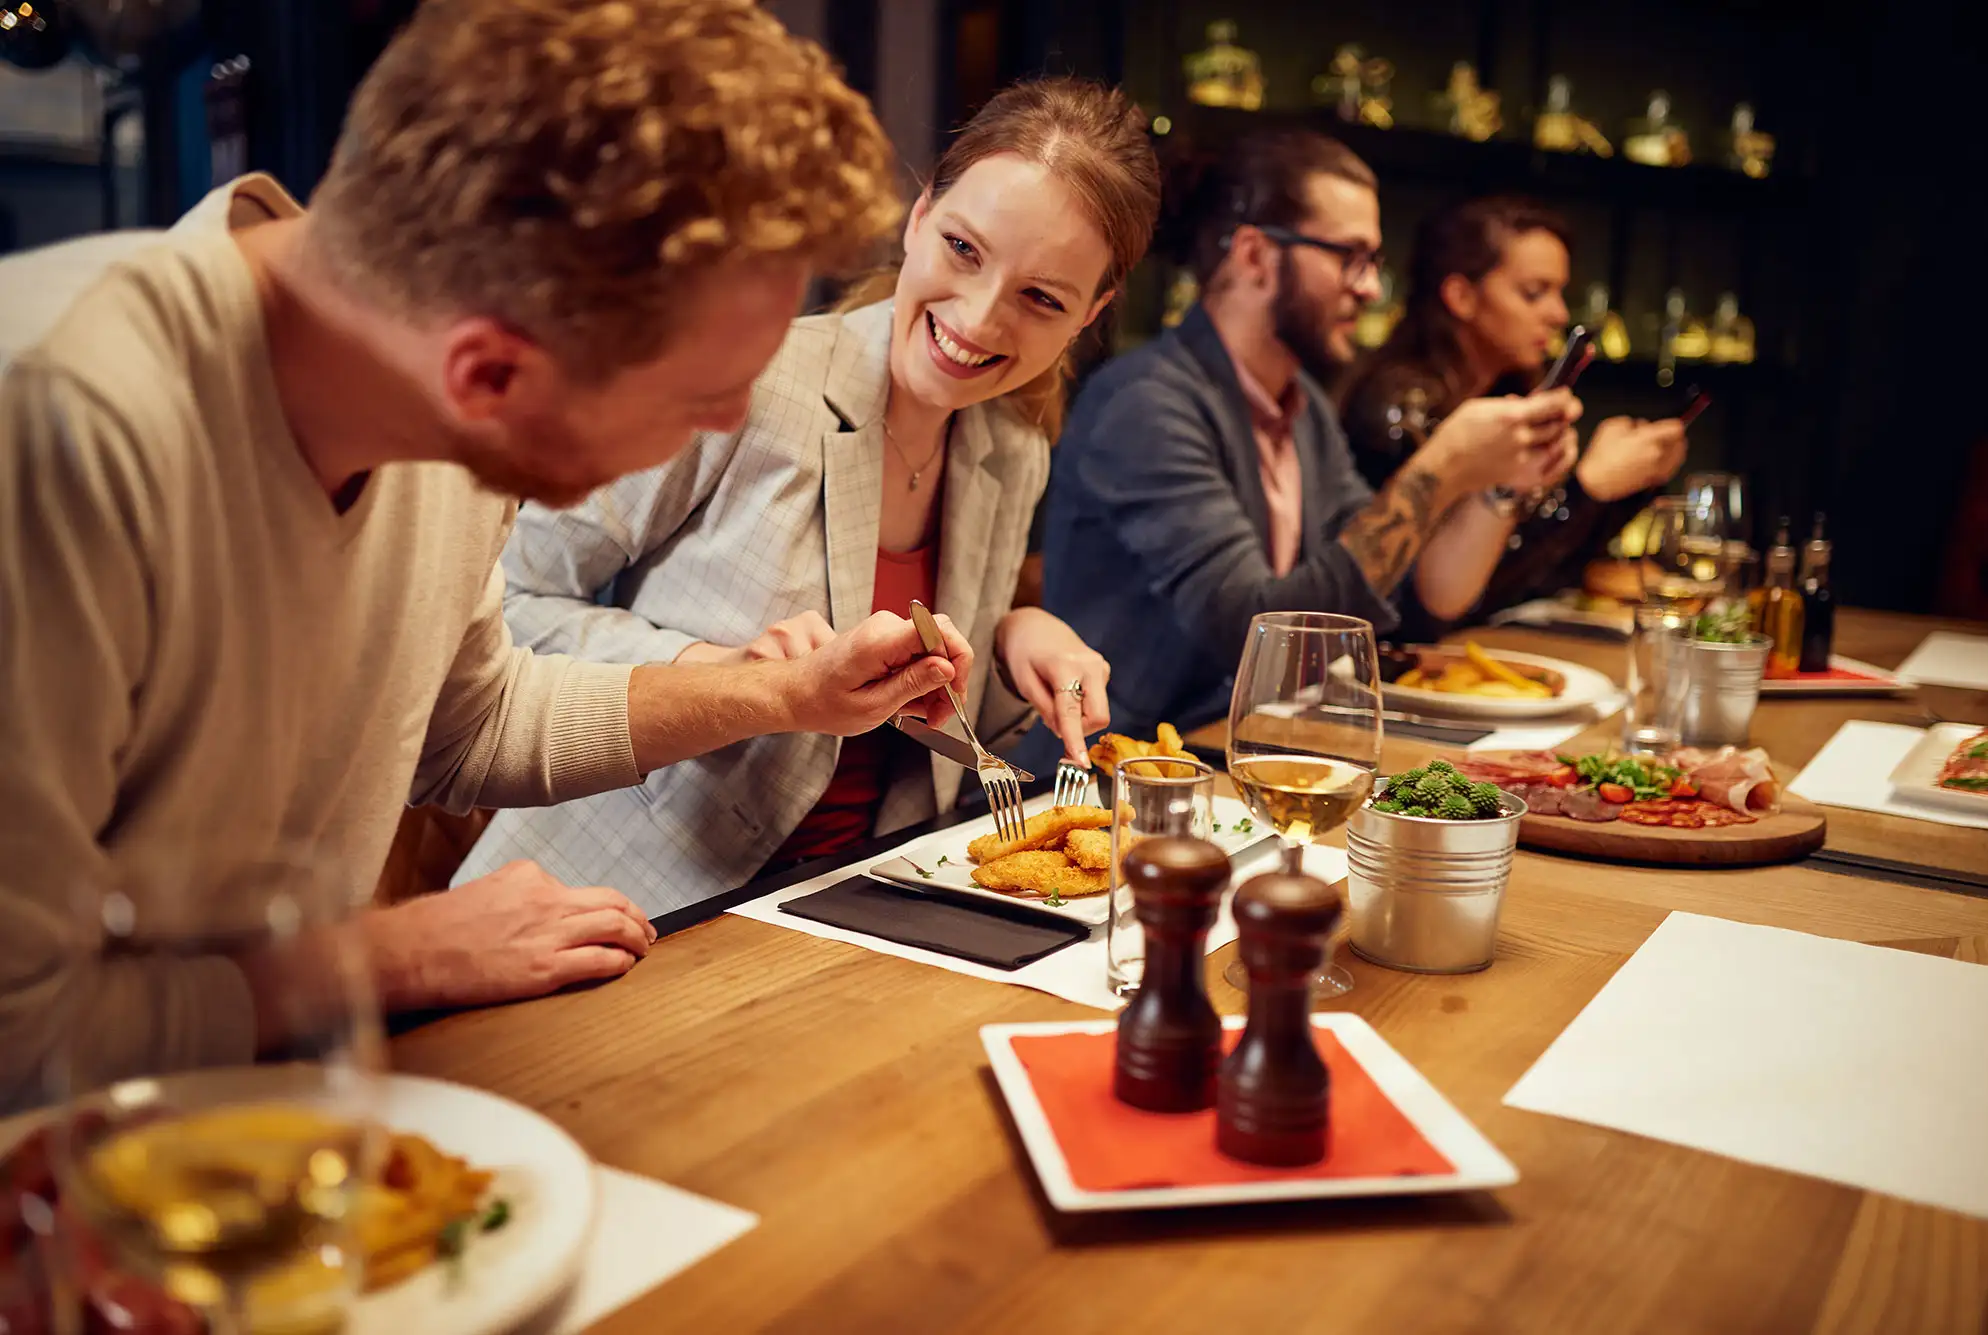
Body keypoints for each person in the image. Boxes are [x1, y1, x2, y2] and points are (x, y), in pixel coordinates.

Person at [0, 0, 979, 1109]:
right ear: (488, 376)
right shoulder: (55, 430)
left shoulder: (423, 386)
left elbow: (469, 722)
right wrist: (390, 955)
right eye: (704, 401)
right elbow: (19, 1029)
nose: (720, 433)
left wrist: (775, 694)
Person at [455, 78, 1162, 915]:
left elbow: (925, 719)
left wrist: (1014, 640)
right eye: (964, 249)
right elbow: (501, 603)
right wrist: (718, 669)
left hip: (859, 906)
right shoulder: (746, 379)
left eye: (1041, 297)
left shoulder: (1010, 449)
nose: (978, 318)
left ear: (1092, 314)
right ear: (919, 213)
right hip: (621, 900)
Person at [1032, 129, 1581, 746]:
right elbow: (1252, 634)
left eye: (1372, 262)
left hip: (1242, 756)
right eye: (1350, 256)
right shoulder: (1147, 402)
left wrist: (1496, 487)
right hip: (1115, 779)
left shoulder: (1304, 406)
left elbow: (1414, 596)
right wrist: (1442, 468)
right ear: (1257, 257)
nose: (1371, 287)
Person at [1340, 195, 1688, 635]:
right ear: (1461, 296)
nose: (1558, 314)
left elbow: (1546, 573)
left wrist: (1623, 488)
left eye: (1560, 292)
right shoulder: (1399, 406)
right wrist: (1589, 490)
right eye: (1533, 292)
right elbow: (1447, 602)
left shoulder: (1508, 392)